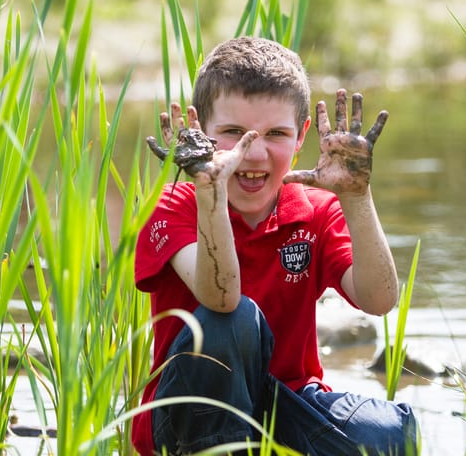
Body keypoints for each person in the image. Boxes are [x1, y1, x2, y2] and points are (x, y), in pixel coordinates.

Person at [132, 36, 418, 456]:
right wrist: (210, 189)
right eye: (233, 133)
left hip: (287, 402)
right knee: (236, 317)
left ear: (302, 135)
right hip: (192, 415)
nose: (255, 153)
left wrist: (356, 196)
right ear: (201, 133)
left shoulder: (317, 211)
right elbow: (222, 298)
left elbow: (379, 299)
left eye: (276, 134)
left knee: (389, 435)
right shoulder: (176, 205)